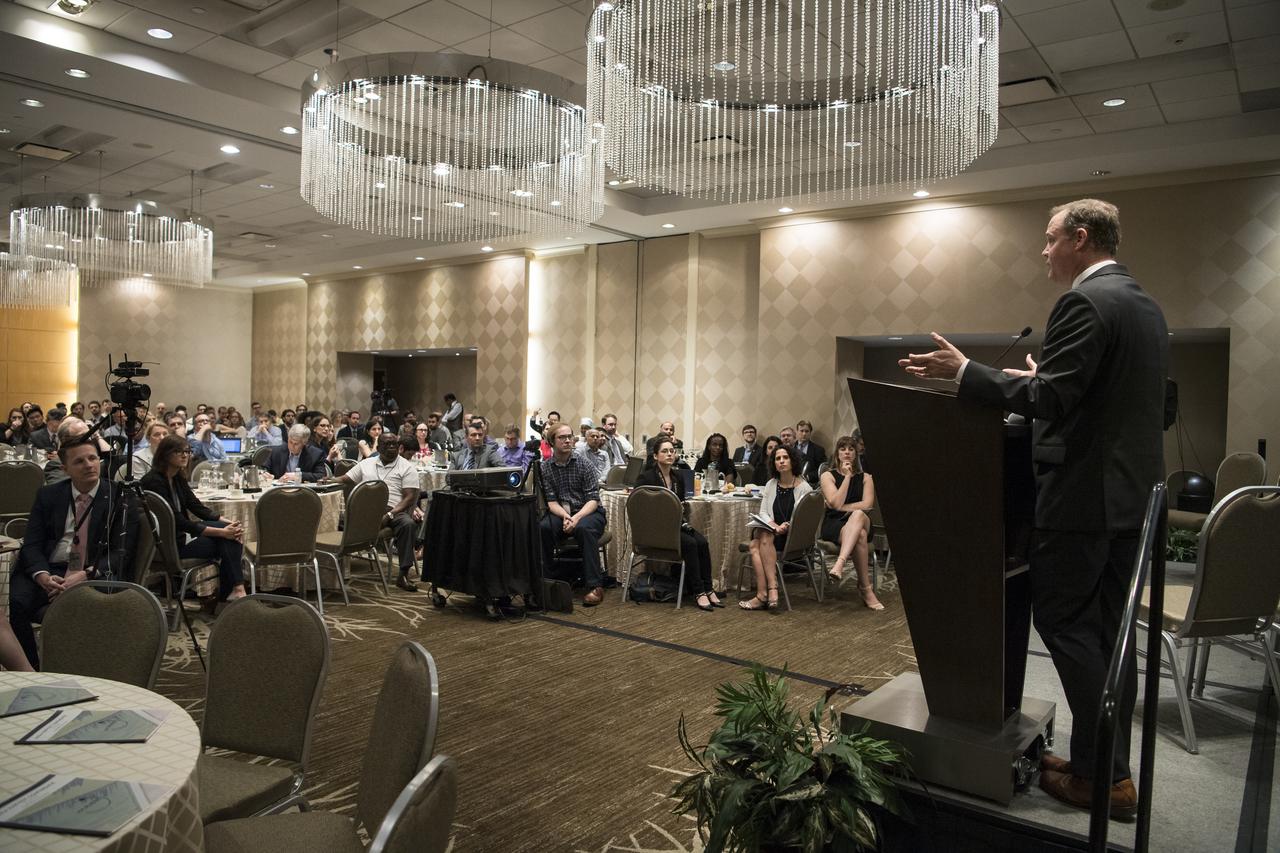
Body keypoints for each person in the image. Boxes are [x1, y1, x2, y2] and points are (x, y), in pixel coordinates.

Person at [898, 198, 1168, 819]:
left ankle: (1110, 780)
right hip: (1129, 503)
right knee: (1107, 637)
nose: (1044, 251)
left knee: (1066, 623)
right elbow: (1086, 398)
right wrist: (1042, 383)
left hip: (1083, 505)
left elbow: (1056, 396)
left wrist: (968, 372)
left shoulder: (1085, 301)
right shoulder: (1142, 304)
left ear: (1080, 238)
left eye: (1049, 240)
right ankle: (1104, 768)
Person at [10, 438, 139, 667]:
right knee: (13, 603)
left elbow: (123, 552)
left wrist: (84, 576)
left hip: (94, 571)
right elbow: (32, 543)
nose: (89, 465)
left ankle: (85, 667)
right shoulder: (48, 495)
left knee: (83, 603)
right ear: (65, 468)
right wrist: (42, 576)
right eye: (79, 461)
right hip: (51, 569)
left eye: (92, 458)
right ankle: (30, 669)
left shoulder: (121, 496)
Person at [141, 435, 246, 609]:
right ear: (165, 454)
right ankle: (230, 594)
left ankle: (235, 591)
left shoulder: (177, 477)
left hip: (181, 538)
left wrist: (228, 523)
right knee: (228, 540)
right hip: (167, 545)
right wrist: (223, 532)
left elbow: (196, 506)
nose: (185, 455)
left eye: (187, 451)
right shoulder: (153, 481)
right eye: (178, 451)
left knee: (230, 538)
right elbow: (179, 522)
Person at [636, 437, 722, 610]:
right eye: (665, 451)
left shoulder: (677, 476)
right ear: (655, 456)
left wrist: (680, 509)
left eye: (672, 451)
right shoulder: (646, 477)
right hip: (655, 530)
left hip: (675, 524)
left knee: (702, 542)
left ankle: (708, 587)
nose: (670, 454)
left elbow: (680, 502)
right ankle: (698, 591)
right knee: (690, 544)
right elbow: (642, 509)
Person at [331, 432, 421, 592]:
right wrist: (328, 480)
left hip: (394, 510)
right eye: (387, 444)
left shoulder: (407, 468)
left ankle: (403, 574)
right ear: (378, 448)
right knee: (335, 518)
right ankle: (334, 569)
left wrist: (389, 515)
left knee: (408, 524)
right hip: (366, 510)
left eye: (394, 444)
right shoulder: (366, 464)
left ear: (399, 447)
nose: (392, 447)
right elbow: (345, 479)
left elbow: (409, 498)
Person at [540, 423, 609, 606]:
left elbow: (593, 500)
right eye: (562, 437)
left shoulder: (583, 464)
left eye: (570, 436)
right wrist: (565, 517)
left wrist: (575, 519)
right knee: (543, 528)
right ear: (552, 442)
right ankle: (546, 582)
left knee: (585, 529)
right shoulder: (545, 468)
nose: (568, 440)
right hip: (562, 512)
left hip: (589, 512)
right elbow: (551, 502)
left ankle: (595, 586)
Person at [741, 444, 812, 611]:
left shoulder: (804, 488)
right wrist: (774, 526)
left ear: (793, 461)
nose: (781, 461)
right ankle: (768, 591)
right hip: (773, 532)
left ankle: (765, 593)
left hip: (792, 538)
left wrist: (787, 526)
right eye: (778, 459)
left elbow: (805, 520)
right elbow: (764, 512)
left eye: (785, 458)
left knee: (755, 543)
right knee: (763, 536)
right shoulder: (771, 484)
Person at [819, 436, 882, 611]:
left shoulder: (866, 477)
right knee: (860, 535)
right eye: (842, 448)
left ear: (856, 453)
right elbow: (835, 502)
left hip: (862, 520)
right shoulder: (827, 475)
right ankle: (866, 589)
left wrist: (842, 507)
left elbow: (867, 504)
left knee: (859, 514)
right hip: (835, 524)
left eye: (851, 449)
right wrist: (846, 478)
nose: (847, 452)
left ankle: (840, 562)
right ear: (837, 453)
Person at [794, 420, 827, 486]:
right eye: (801, 431)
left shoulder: (819, 450)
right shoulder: (790, 449)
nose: (804, 434)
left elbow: (823, 469)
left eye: (806, 431)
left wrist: (808, 477)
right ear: (797, 432)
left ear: (810, 432)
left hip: (811, 484)